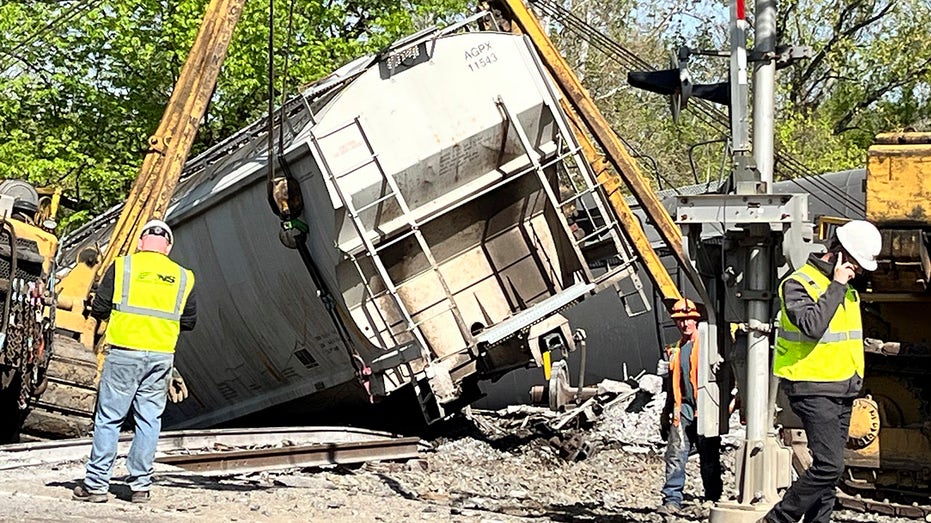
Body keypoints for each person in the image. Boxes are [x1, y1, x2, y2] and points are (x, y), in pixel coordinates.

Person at [763, 219, 881, 523]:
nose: (859, 271)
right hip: (812, 387)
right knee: (829, 467)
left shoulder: (848, 291)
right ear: (840, 253)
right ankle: (777, 519)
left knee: (828, 472)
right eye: (856, 264)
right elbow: (812, 326)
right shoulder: (798, 283)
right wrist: (837, 284)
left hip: (842, 388)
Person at [72, 219, 196, 504]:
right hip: (161, 357)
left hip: (124, 354)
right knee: (149, 420)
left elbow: (99, 309)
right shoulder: (184, 276)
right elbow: (189, 321)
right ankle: (140, 486)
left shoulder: (122, 266)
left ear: (140, 243)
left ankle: (96, 485)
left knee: (109, 418)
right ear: (168, 248)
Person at [656, 297, 722, 515]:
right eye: (680, 320)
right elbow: (672, 385)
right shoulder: (676, 350)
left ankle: (713, 497)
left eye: (688, 319)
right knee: (675, 453)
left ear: (696, 320)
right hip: (682, 409)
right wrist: (666, 412)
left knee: (709, 457)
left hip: (706, 408)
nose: (684, 324)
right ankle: (672, 499)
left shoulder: (707, 346)